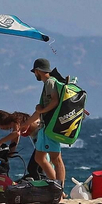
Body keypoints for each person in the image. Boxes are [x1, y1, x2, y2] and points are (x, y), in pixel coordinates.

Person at [28, 58, 67, 186]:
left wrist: (42, 109)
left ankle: (59, 189)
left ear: (38, 71)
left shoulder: (50, 82)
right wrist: (25, 124)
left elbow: (54, 101)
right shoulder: (47, 83)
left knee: (56, 159)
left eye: (35, 72)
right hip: (45, 127)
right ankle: (55, 185)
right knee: (39, 158)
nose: (35, 74)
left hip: (51, 126)